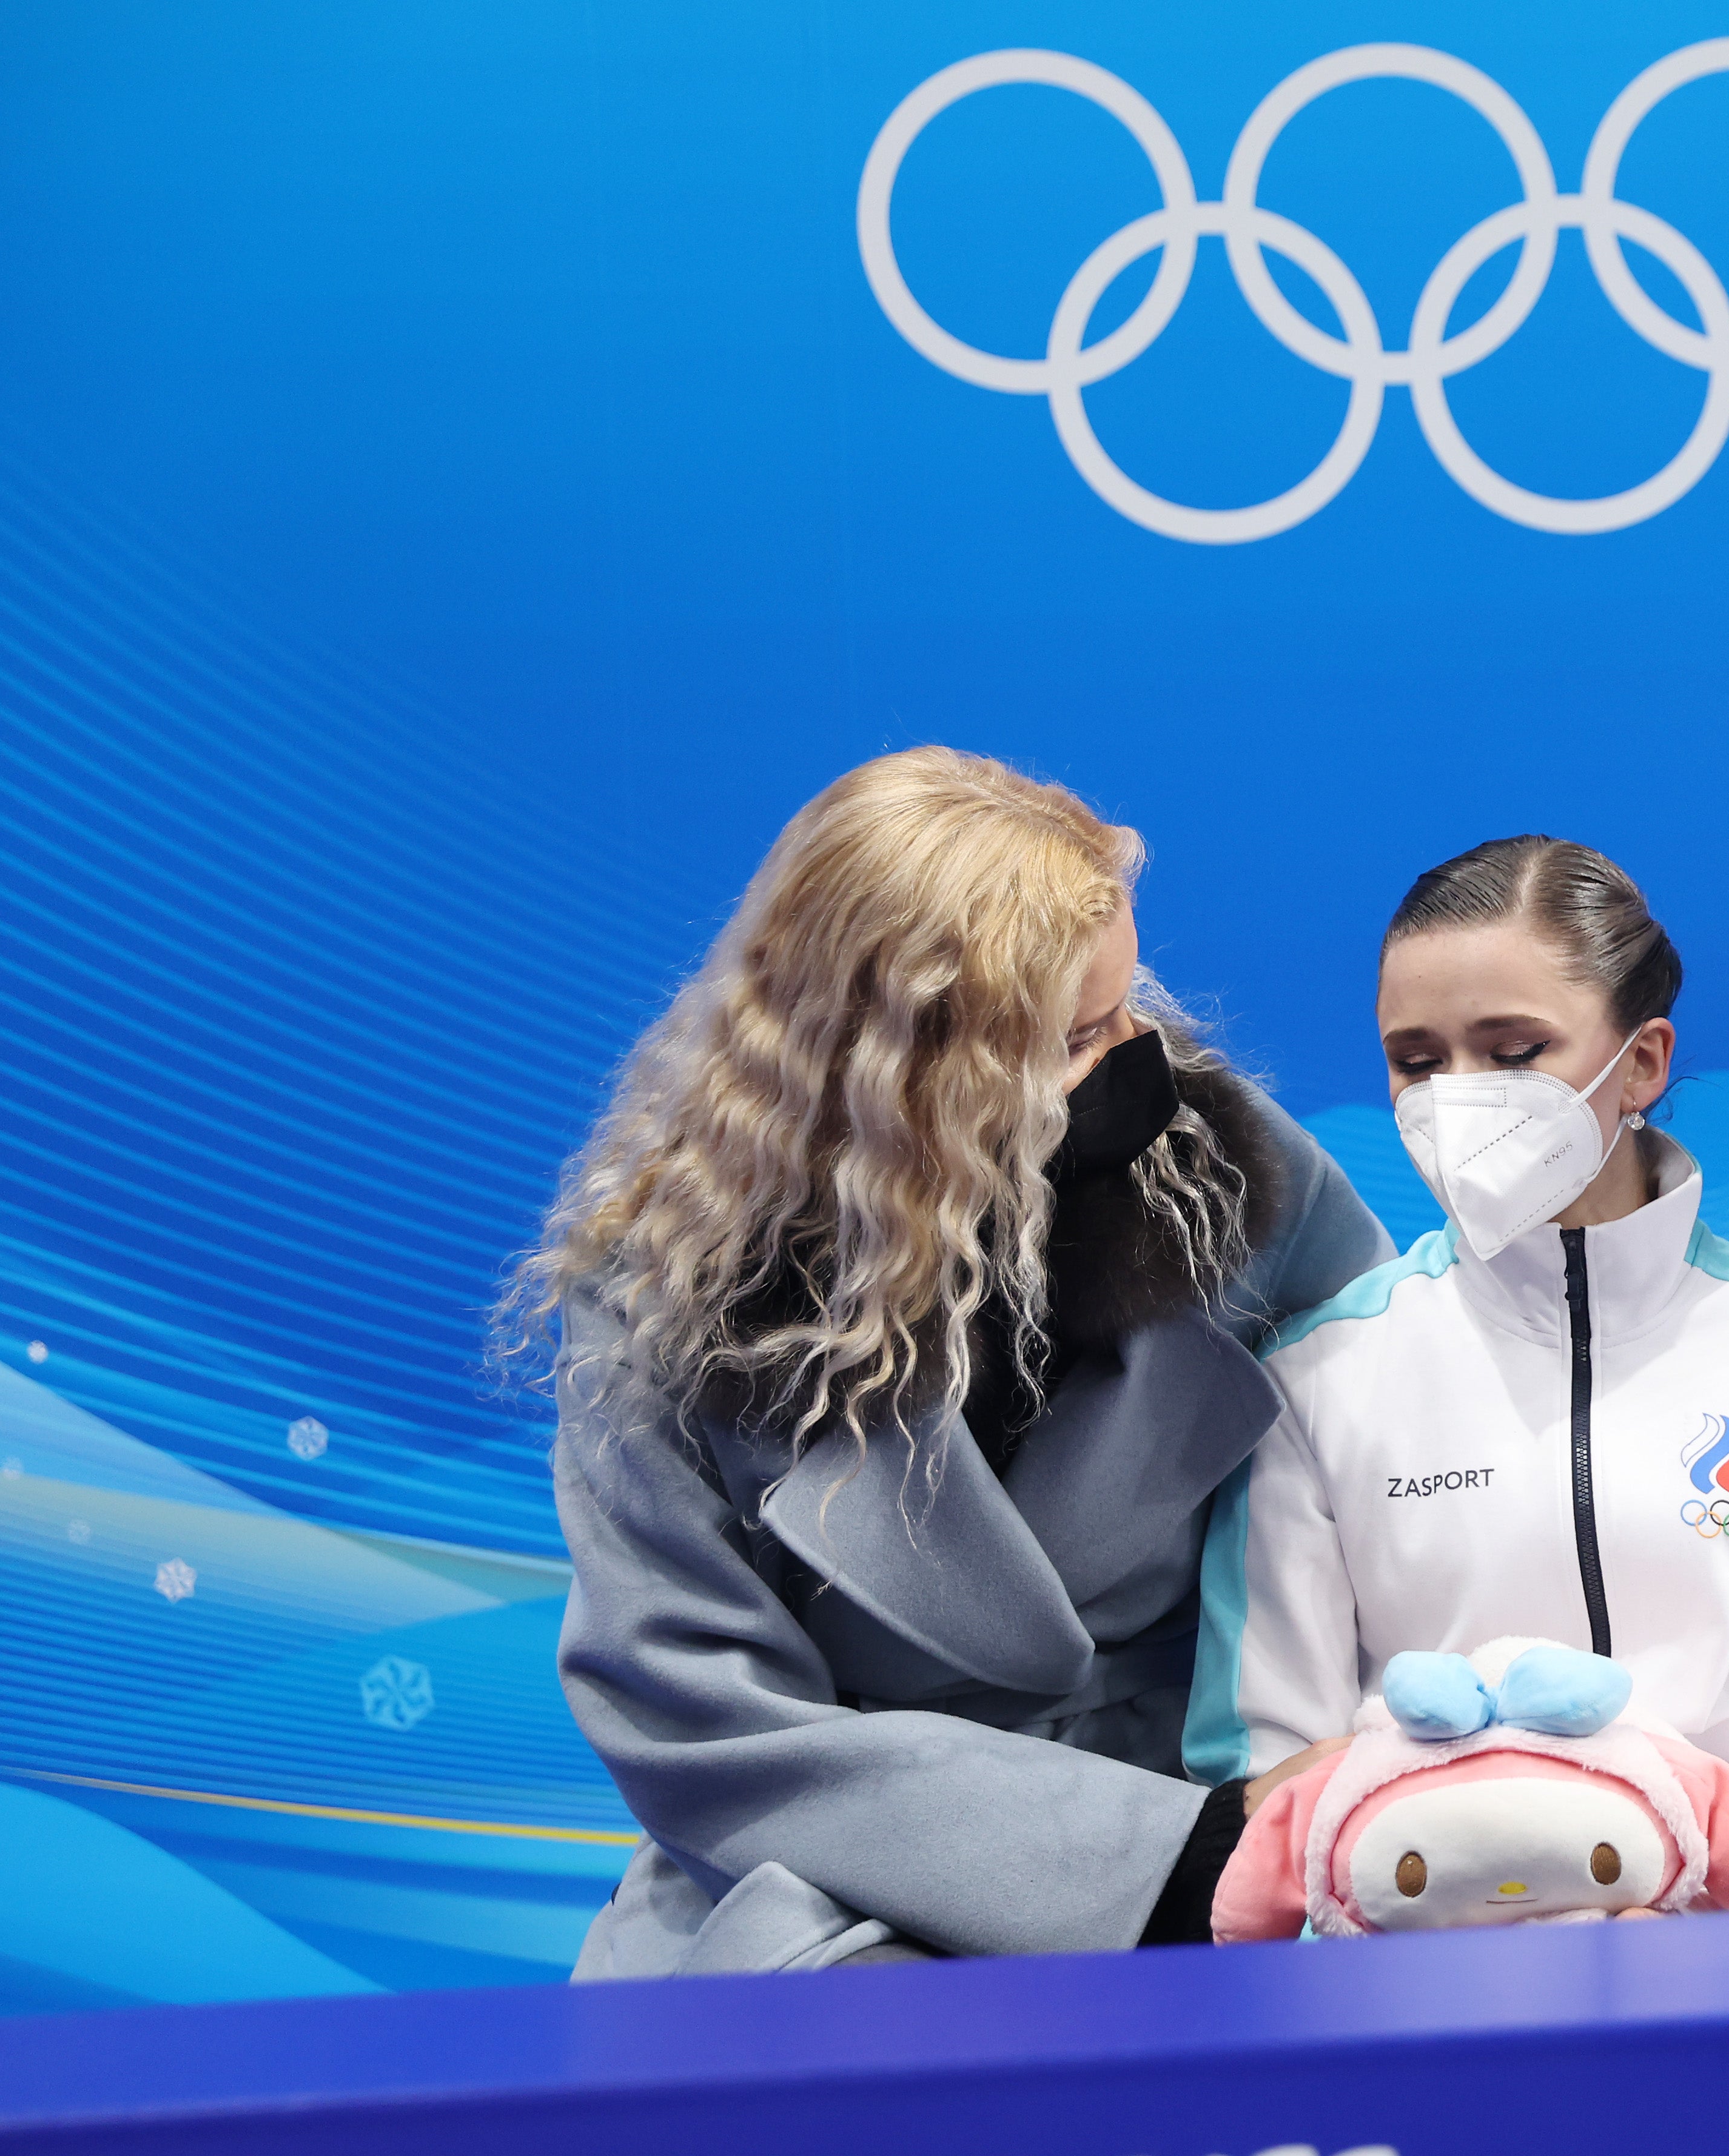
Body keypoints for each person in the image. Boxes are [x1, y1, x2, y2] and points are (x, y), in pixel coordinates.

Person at [515, 748, 1392, 1975]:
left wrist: (1304, 1798)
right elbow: (694, 1717)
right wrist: (1160, 1857)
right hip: (828, 1873)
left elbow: (1406, 1470)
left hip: (1232, 1820)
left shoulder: (1231, 1181)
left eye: (1128, 1004)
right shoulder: (666, 1296)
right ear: (912, 1074)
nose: (1140, 1055)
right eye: (1080, 1034)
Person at [1187, 837, 1729, 1910]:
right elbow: (1266, 1779)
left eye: (1512, 1051)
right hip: (1420, 1992)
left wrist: (1728, 1936)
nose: (1457, 1097)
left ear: (1641, 1061)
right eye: (1416, 1058)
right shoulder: (1318, 1374)